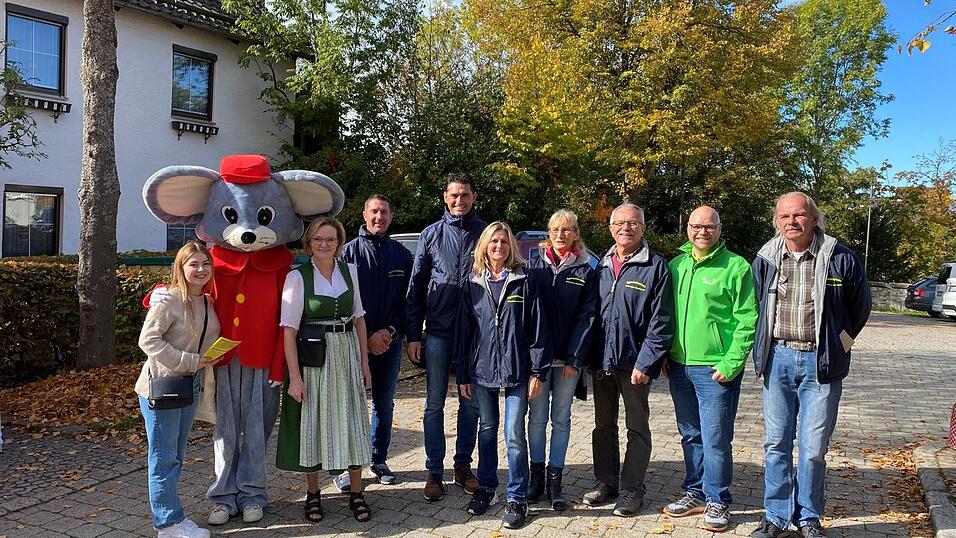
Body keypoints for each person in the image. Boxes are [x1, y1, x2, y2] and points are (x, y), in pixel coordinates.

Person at [750, 193, 871, 538]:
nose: (792, 221)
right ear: (777, 221)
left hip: (821, 364)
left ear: (813, 219)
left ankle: (808, 518)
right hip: (778, 359)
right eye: (784, 216)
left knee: (813, 449)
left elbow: (860, 308)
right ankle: (775, 516)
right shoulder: (766, 258)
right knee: (776, 445)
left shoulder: (840, 258)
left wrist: (839, 346)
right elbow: (756, 306)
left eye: (799, 215)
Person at [662, 206, 758, 532]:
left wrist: (732, 363)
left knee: (715, 438)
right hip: (679, 366)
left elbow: (748, 319)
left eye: (709, 226)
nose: (702, 232)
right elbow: (667, 316)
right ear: (687, 228)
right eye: (696, 226)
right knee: (691, 434)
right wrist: (666, 354)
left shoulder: (736, 267)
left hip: (716, 369)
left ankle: (718, 498)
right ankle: (695, 492)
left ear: (719, 229)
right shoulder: (677, 265)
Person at [275, 218, 374, 524]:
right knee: (314, 422)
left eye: (330, 239)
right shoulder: (297, 277)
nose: (324, 244)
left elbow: (359, 319)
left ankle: (356, 492)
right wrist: (295, 377)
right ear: (309, 242)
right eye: (318, 239)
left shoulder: (350, 271)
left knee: (352, 420)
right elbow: (289, 331)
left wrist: (364, 363)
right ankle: (313, 493)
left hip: (346, 354)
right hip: (313, 359)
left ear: (339, 243)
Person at [457, 221, 550, 529]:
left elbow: (538, 328)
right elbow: (465, 331)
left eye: (504, 241)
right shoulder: (472, 282)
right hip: (481, 370)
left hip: (518, 371)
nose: (499, 246)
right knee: (486, 430)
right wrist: (463, 375)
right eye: (493, 241)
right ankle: (486, 488)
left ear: (511, 246)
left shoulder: (525, 280)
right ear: (484, 246)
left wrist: (537, 371)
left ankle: (517, 498)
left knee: (513, 434)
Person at [583, 203, 673, 517]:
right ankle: (606, 482)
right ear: (610, 228)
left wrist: (646, 363)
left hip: (635, 364)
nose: (626, 228)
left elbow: (661, 321)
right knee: (603, 425)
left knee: (637, 428)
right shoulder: (601, 265)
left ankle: (632, 489)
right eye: (619, 223)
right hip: (602, 362)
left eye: (633, 223)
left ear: (643, 228)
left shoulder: (656, 266)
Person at [405, 173, 486, 501]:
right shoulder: (431, 234)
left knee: (471, 403)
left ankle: (463, 466)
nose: (459, 201)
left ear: (474, 196)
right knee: (433, 405)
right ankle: (434, 471)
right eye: (454, 195)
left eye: (464, 195)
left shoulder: (485, 234)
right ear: (445, 197)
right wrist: (413, 334)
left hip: (475, 335)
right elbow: (416, 285)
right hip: (438, 331)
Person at [135, 242, 221, 538]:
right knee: (163, 459)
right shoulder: (168, 299)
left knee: (176, 457)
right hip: (162, 387)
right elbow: (148, 341)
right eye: (193, 264)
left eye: (205, 264)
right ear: (180, 268)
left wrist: (210, 355)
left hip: (189, 385)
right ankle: (167, 524)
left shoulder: (207, 301)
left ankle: (173, 517)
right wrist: (191, 360)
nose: (201, 269)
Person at [334, 194, 413, 489]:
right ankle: (342, 466)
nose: (379, 217)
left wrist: (390, 332)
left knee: (384, 404)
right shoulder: (347, 254)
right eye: (374, 212)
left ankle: (378, 459)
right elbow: (339, 302)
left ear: (391, 216)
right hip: (352, 343)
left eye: (384, 212)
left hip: (390, 343)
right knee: (348, 405)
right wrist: (364, 338)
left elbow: (409, 301)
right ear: (364, 215)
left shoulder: (402, 255)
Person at [525, 209, 598, 511]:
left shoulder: (586, 271)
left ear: (576, 234)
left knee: (561, 418)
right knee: (537, 418)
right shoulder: (533, 265)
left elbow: (588, 317)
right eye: (555, 229)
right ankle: (535, 479)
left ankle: (555, 483)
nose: (560, 235)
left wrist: (575, 358)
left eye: (567, 230)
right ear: (548, 233)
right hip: (538, 360)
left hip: (568, 361)